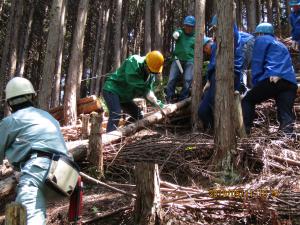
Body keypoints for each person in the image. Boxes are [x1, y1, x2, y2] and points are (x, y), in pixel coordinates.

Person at [0, 77, 76, 225]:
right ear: (31, 96)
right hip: (65, 176)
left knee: (31, 219)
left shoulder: (10, 121)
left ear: (9, 103)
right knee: (18, 215)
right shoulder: (47, 116)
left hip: (38, 170)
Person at [242, 23, 298, 135]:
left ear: (260, 33)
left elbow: (258, 61)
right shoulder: (280, 44)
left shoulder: (261, 40)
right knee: (285, 110)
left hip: (273, 78)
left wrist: (256, 82)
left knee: (248, 100)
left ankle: (245, 130)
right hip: (290, 82)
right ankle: (286, 136)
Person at [103, 50, 165, 132]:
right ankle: (109, 139)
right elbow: (131, 79)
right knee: (116, 114)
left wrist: (159, 105)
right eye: (150, 70)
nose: (151, 73)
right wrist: (146, 91)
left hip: (124, 96)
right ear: (146, 63)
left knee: (139, 116)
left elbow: (148, 93)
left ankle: (124, 132)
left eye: (154, 72)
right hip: (112, 89)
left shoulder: (151, 75)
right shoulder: (134, 61)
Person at [166, 15, 195, 103]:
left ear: (193, 27)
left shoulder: (196, 36)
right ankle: (170, 98)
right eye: (186, 25)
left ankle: (183, 99)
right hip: (177, 60)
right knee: (172, 78)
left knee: (187, 80)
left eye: (190, 26)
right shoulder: (180, 32)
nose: (188, 28)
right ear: (184, 25)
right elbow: (176, 33)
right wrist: (176, 34)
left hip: (189, 61)